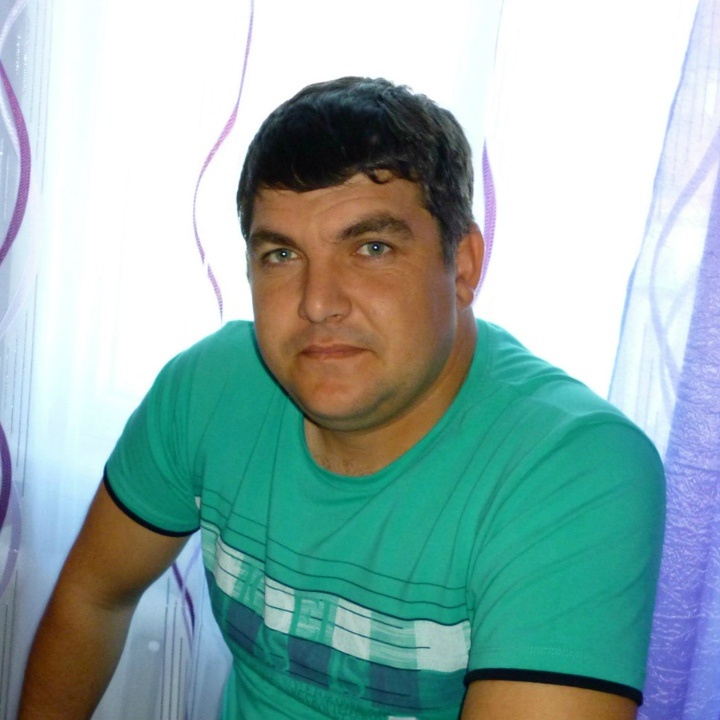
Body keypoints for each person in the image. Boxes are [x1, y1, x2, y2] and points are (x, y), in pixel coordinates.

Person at [20, 76, 665, 720]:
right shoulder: (212, 388)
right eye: (281, 254)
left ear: (464, 266)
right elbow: (93, 596)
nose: (317, 303)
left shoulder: (574, 469)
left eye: (372, 248)